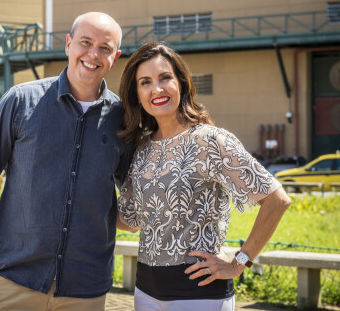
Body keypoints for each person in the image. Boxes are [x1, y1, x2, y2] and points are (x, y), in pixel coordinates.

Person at [0, 12, 134, 310]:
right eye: (85, 42)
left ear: (115, 57)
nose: (93, 54)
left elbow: (134, 200)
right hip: (14, 284)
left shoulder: (123, 120)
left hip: (86, 289)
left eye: (105, 48)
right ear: (68, 44)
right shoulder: (19, 102)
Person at [116, 43, 292, 310]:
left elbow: (277, 200)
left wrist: (239, 262)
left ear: (182, 84)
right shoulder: (141, 149)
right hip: (145, 292)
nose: (157, 89)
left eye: (165, 78)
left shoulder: (211, 141)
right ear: (136, 93)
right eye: (145, 82)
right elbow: (130, 221)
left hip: (199, 294)